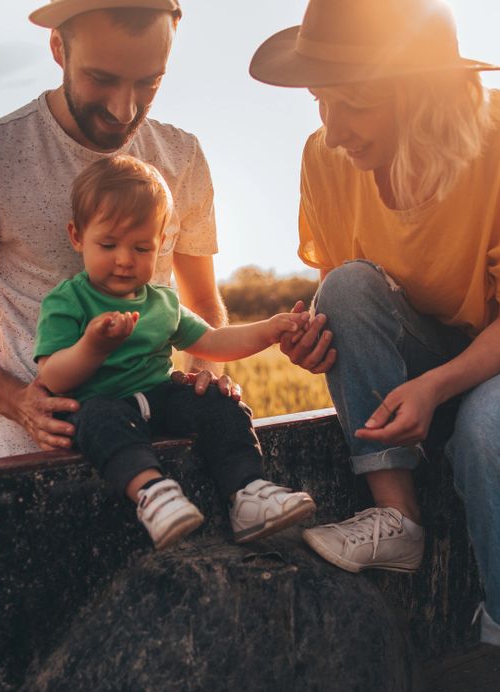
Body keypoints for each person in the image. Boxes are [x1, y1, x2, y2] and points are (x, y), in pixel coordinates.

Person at [249, 1, 500, 692]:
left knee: (487, 427)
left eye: (353, 102)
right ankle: (395, 516)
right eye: (319, 100)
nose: (333, 128)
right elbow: (358, 297)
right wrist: (316, 335)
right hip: (432, 339)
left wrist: (436, 387)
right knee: (343, 286)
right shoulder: (328, 156)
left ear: (423, 94)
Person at [0, 0, 232, 460]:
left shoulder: (183, 155)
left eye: (149, 82)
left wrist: (204, 372)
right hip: (32, 463)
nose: (124, 110)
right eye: (102, 79)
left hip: (167, 455)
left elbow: (200, 302)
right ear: (59, 49)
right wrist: (17, 401)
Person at [34, 154, 316, 549]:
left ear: (161, 244)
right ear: (77, 236)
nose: (124, 260)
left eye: (141, 248)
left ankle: (249, 493)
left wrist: (269, 330)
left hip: (160, 398)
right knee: (97, 421)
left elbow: (213, 342)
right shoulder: (69, 301)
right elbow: (53, 377)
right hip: (100, 402)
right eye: (108, 244)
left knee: (219, 401)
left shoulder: (161, 303)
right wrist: (92, 346)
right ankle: (153, 495)